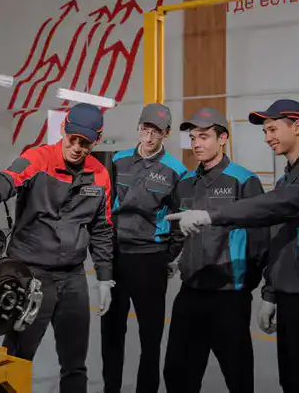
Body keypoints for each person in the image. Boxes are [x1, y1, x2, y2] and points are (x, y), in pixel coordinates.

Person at [167, 99, 299, 393]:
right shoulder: (286, 180)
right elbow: (279, 240)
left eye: (272, 129)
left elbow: (273, 208)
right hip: (289, 295)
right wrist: (271, 294)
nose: (267, 137)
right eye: (265, 131)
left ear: (297, 126)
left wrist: (210, 216)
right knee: (292, 381)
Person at [0, 103, 115, 393]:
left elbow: (102, 228)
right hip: (31, 276)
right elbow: (4, 180)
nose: (77, 147)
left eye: (85, 143)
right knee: (16, 360)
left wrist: (104, 278)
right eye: (72, 138)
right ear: (63, 129)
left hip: (73, 278)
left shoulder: (100, 175)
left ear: (97, 141)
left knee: (75, 364)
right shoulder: (38, 159)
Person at [162, 107, 269, 393]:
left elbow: (261, 239)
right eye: (193, 137)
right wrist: (172, 259)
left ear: (222, 139)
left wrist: (248, 283)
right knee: (177, 374)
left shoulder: (244, 181)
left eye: (204, 136)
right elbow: (178, 231)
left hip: (229, 296)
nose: (196, 143)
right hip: (191, 291)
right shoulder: (186, 182)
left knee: (238, 376)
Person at [100, 103, 187, 393]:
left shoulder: (176, 171)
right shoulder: (118, 161)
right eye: (145, 130)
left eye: (156, 133)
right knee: (111, 332)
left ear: (166, 134)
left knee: (150, 336)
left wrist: (169, 255)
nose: (148, 138)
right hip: (117, 256)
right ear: (138, 128)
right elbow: (105, 207)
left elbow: (180, 218)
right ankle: (111, 388)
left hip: (151, 260)